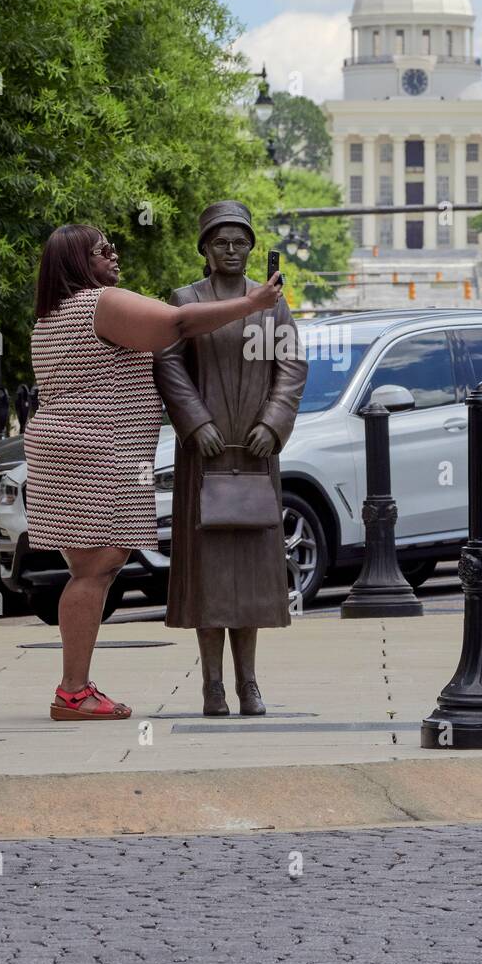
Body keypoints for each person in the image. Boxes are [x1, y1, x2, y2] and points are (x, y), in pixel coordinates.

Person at [25, 222, 283, 720]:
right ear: (81, 263)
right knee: (97, 569)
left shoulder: (53, 315)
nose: (114, 254)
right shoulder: (101, 303)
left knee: (89, 570)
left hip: (66, 449)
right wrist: (251, 305)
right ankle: (73, 692)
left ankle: (74, 689)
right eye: (103, 250)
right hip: (98, 452)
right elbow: (178, 324)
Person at [153, 201, 308, 717]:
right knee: (209, 577)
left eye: (240, 241)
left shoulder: (271, 303)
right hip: (205, 456)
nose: (232, 249)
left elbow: (291, 366)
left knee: (253, 577)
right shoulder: (184, 301)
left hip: (256, 451)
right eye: (221, 241)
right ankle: (212, 685)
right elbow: (169, 365)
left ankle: (250, 684)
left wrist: (273, 422)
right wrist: (196, 423)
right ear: (205, 248)